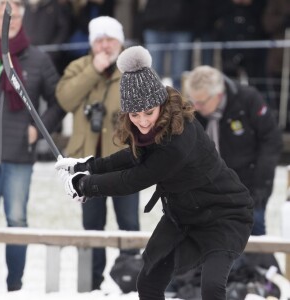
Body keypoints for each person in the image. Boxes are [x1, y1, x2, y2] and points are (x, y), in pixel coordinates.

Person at [55, 45, 254, 300]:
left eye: (148, 112)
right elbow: (135, 156)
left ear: (160, 103)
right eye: (135, 114)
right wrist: (88, 166)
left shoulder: (179, 136)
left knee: (212, 288)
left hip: (224, 214)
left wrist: (86, 185)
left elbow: (138, 177)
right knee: (148, 283)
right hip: (183, 216)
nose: (143, 121)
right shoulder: (149, 130)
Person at [55, 16, 140, 290]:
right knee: (92, 226)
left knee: (129, 224)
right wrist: (93, 70)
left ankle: (131, 280)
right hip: (87, 164)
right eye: (99, 40)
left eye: (110, 39)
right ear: (92, 44)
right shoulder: (78, 67)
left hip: (126, 161)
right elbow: (65, 99)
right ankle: (91, 284)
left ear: (121, 41)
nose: (105, 46)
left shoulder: (132, 71)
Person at [0, 0, 65, 292]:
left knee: (17, 220)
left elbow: (59, 101)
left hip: (19, 156)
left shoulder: (37, 58)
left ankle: (15, 286)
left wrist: (39, 126)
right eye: (5, 14)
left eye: (18, 15)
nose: (13, 19)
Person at [184, 65, 282, 236]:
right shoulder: (193, 111)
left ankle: (258, 263)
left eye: (201, 102)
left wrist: (260, 188)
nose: (196, 106)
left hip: (248, 187)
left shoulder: (248, 100)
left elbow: (271, 141)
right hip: (207, 191)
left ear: (219, 95)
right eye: (193, 101)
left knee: (252, 238)